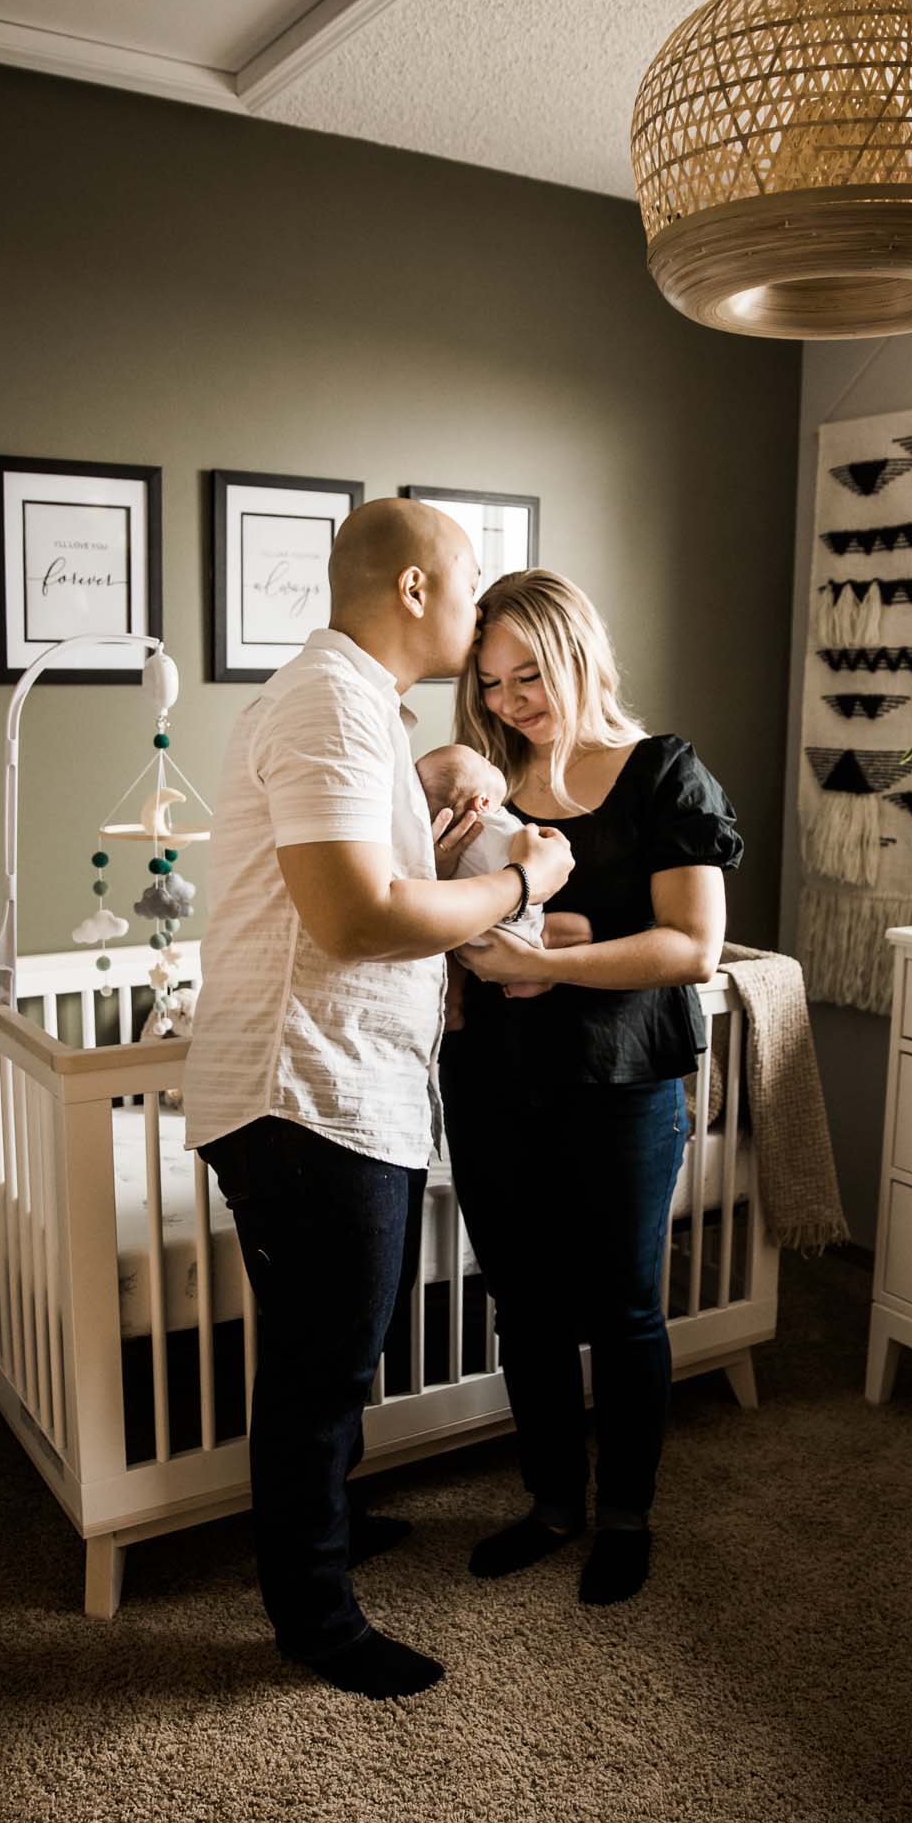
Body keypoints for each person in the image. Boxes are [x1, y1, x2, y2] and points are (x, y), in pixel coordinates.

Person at [181, 499, 573, 1700]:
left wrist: (435, 833)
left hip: (341, 1084)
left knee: (339, 1353)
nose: (478, 604)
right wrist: (522, 878)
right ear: (412, 587)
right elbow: (356, 920)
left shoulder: (353, 708)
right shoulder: (330, 703)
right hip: (305, 1089)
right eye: (467, 581)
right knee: (320, 1369)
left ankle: (330, 1528)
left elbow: (361, 892)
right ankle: (316, 1616)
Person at [438, 568, 743, 1607]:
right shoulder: (480, 788)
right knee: (522, 1303)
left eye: (527, 675)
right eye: (490, 682)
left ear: (578, 655)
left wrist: (556, 959)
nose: (509, 700)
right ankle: (553, 1503)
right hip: (493, 1074)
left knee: (621, 1306)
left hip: (620, 1078)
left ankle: (625, 1515)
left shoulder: (663, 775)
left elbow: (692, 947)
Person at [413, 743, 553, 1021]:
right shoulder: (500, 826)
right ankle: (535, 970)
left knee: (452, 956)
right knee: (579, 928)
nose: (491, 762)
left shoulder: (439, 838)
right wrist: (542, 839)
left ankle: (452, 1006)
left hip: (470, 930)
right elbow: (536, 856)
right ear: (483, 803)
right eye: (486, 765)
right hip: (514, 923)